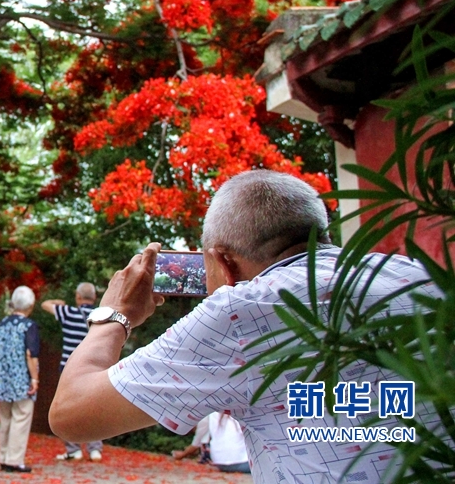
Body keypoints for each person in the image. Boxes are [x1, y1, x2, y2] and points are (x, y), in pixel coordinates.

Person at [49, 170, 442, 483]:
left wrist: (114, 316)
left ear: (224, 262)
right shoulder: (422, 278)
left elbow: (71, 414)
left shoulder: (242, 311)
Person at [41, 282, 103, 462]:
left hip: (68, 368)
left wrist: (56, 301)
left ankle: (73, 449)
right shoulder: (100, 315)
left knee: (68, 409)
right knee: (94, 408)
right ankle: (94, 449)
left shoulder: (68, 313)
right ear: (94, 298)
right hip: (93, 368)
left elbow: (45, 305)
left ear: (77, 297)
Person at [0, 285, 40, 474]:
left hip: (3, 378)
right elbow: (31, 354)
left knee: (5, 418)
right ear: (30, 305)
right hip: (22, 379)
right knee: (21, 417)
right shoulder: (29, 326)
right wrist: (35, 379)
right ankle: (15, 459)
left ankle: (4, 457)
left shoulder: (2, 324)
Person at [172, 412, 250, 473]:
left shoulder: (211, 413)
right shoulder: (242, 411)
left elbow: (197, 442)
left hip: (219, 463)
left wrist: (182, 454)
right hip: (242, 462)